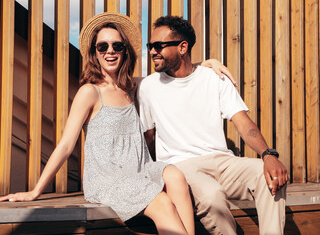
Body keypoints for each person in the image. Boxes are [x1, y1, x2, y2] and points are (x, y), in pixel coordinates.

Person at [0, 12, 195, 235]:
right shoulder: (90, 92)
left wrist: (206, 64)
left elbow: (174, 73)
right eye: (102, 47)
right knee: (162, 203)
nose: (109, 51)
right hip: (109, 180)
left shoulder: (131, 87)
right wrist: (35, 191)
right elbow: (65, 145)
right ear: (95, 53)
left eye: (116, 46)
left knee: (176, 176)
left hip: (140, 171)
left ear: (125, 51)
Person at [138, 15, 288, 235]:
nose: (152, 52)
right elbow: (148, 138)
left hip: (223, 161)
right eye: (150, 46)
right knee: (212, 196)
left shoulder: (214, 78)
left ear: (182, 47)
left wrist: (268, 154)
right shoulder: (148, 87)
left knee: (270, 176)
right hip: (182, 166)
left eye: (158, 46)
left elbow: (243, 122)